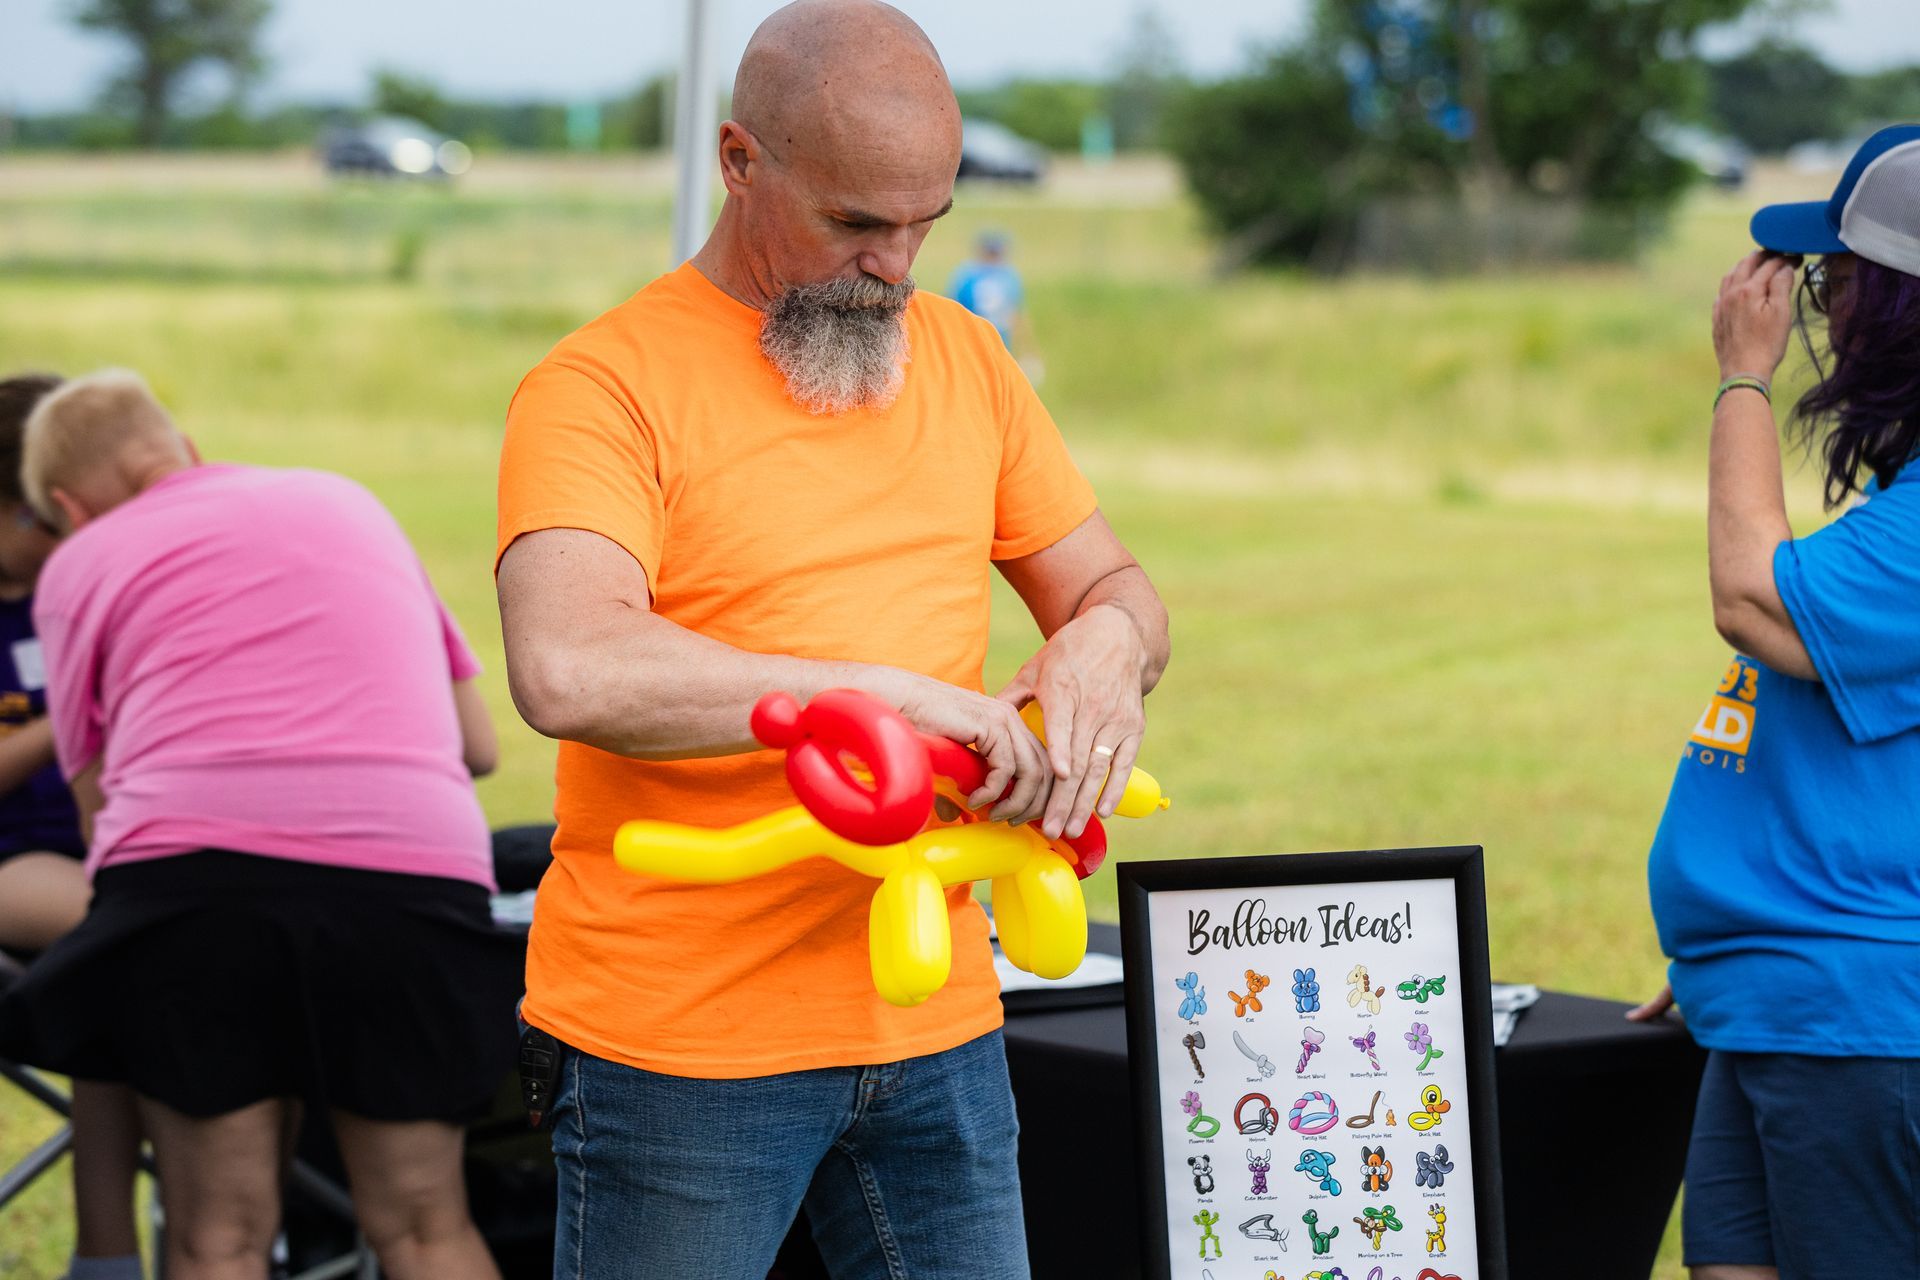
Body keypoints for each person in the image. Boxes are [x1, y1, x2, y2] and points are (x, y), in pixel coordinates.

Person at [494, 1, 1170, 1274]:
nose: (898, 266)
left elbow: (1121, 588)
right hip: (678, 1044)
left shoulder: (969, 358)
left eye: (926, 223)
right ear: (741, 159)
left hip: (940, 1018)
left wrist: (1104, 646)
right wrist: (881, 694)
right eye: (858, 223)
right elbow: (567, 665)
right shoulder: (600, 386)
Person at [0, 369, 518, 1280]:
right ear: (186, 453)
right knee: (427, 1226)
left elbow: (101, 818)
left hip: (195, 895)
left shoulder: (82, 562)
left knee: (219, 1237)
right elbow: (478, 747)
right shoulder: (345, 501)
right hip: (411, 881)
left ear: (71, 508)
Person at [1629, 124, 1920, 1279]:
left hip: (1857, 1015)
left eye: (1835, 275)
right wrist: (1740, 929)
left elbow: (1756, 598)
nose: (1812, 300)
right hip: (1784, 990)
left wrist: (1742, 376)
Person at [0, 374, 143, 1280]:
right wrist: (77, 709)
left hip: (117, 836)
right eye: (49, 525)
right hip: (16, 854)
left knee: (143, 963)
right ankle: (107, 1250)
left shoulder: (103, 581)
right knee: (126, 933)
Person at [948, 229, 1028, 349]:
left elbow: (1015, 314)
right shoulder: (969, 275)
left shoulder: (967, 274)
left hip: (996, 339)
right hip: (974, 337)